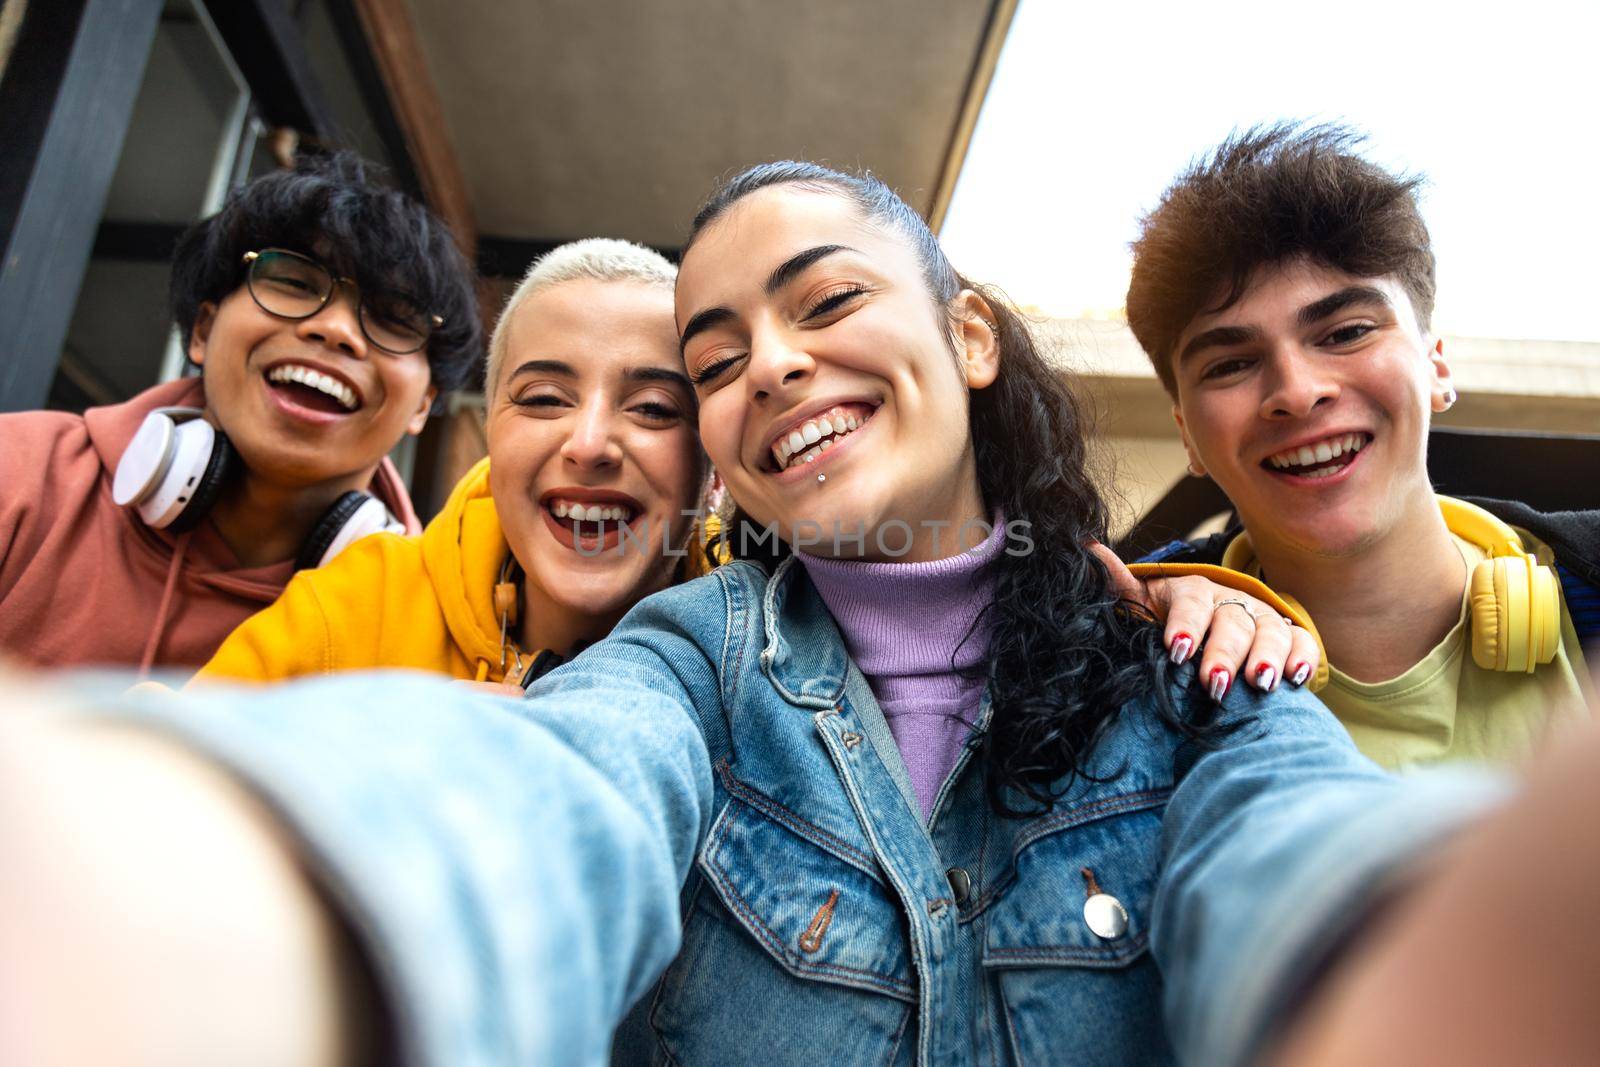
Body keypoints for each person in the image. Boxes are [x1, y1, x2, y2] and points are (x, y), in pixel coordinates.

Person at [0, 162, 1518, 1067]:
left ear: (968, 334)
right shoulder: (676, 656)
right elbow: (545, 801)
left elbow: (1301, 851)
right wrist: (210, 898)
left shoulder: (1193, 664)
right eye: (717, 358)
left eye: (824, 302)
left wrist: (1459, 944)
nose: (775, 365)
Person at [1124, 124, 1597, 769]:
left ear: (1436, 368)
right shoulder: (1127, 653)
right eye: (1230, 365)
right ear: (1190, 436)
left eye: (1345, 332)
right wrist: (1117, 621)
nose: (1296, 391)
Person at [0, 152, 482, 677]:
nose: (337, 330)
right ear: (204, 331)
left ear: (423, 405)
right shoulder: (18, 471)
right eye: (296, 283)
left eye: (393, 318)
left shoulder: (420, 636)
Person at [193, 239, 710, 687]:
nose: (589, 443)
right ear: (492, 431)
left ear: (713, 464)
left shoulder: (772, 637)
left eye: (654, 409)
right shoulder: (364, 602)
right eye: (545, 398)